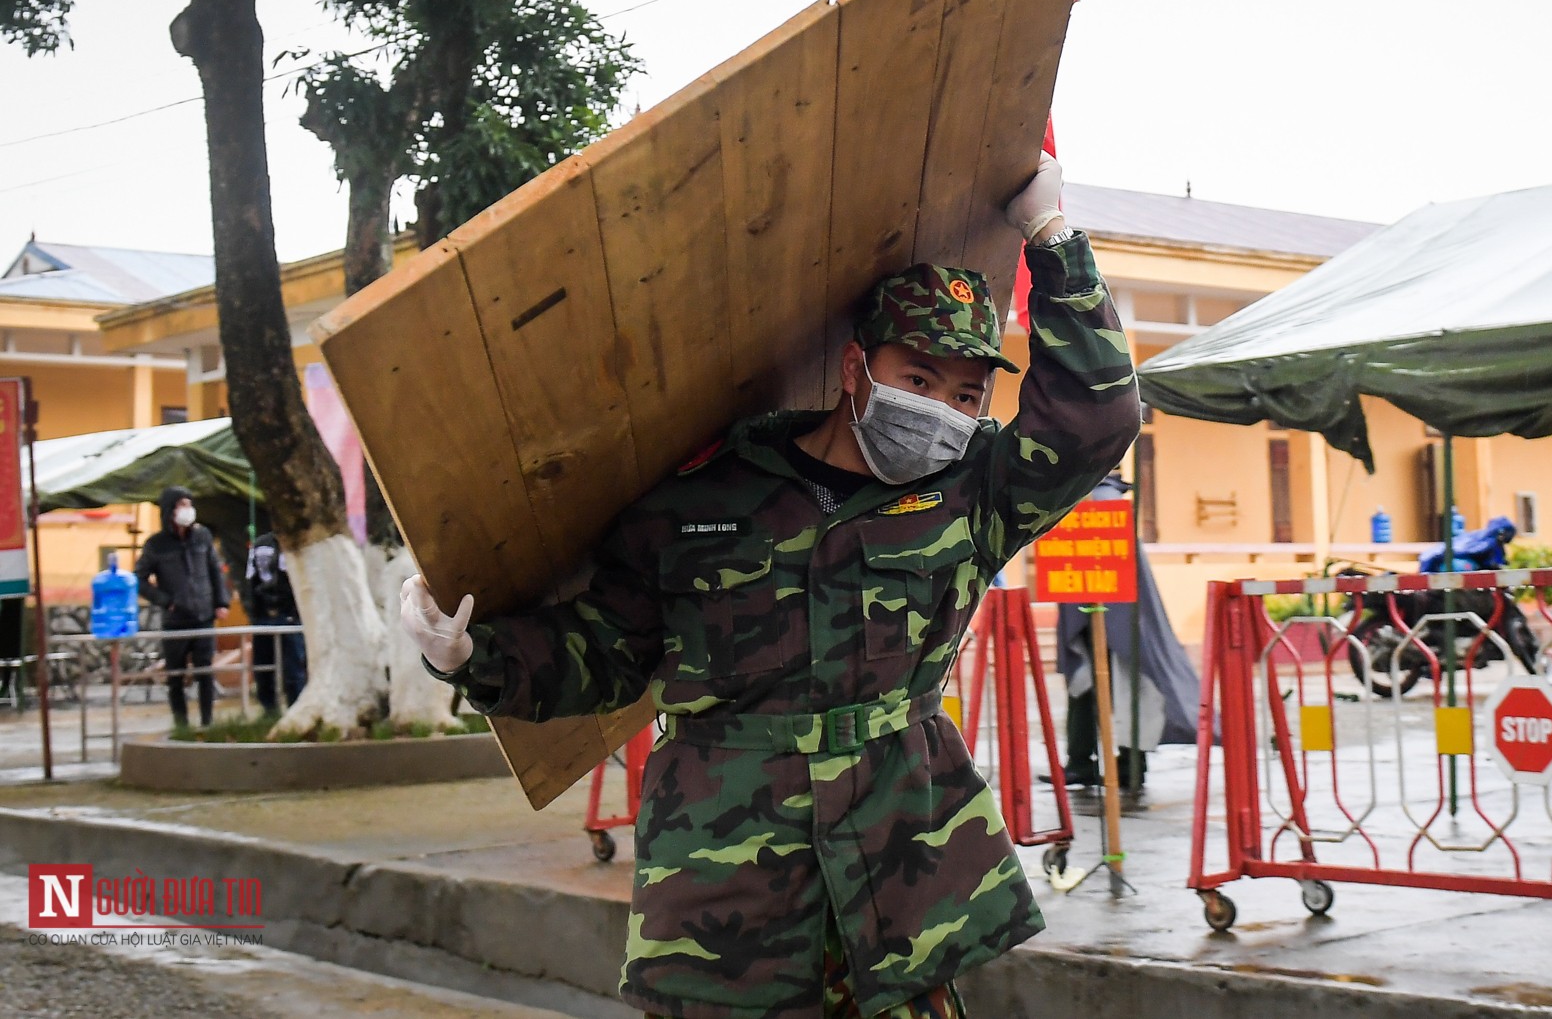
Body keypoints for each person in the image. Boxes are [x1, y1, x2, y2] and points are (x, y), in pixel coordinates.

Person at [402, 155, 1140, 1019]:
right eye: (919, 379)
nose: (943, 408)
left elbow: (1097, 417)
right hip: (726, 885)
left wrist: (1052, 240)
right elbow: (604, 653)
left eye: (967, 393)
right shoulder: (701, 498)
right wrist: (470, 654)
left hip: (901, 874)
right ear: (856, 369)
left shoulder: (972, 494)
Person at [1054, 474, 1201, 790]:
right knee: (1098, 688)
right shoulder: (1092, 496)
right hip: (1104, 609)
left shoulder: (1095, 499)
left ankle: (1125, 763)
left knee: (1123, 688)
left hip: (1109, 611)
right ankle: (1095, 762)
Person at [135, 486, 229, 730]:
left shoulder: (202, 537)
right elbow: (139, 580)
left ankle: (208, 722)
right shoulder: (156, 545)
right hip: (175, 619)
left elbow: (214, 570)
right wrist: (166, 601)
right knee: (175, 676)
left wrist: (221, 602)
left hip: (203, 616)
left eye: (189, 504)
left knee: (205, 672)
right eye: (181, 505)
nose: (187, 510)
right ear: (169, 511)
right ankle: (181, 724)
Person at [245, 529, 306, 715]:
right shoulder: (268, 544)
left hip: (280, 615)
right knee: (272, 667)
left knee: (285, 668)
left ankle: (284, 709)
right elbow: (253, 581)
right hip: (274, 615)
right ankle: (278, 709)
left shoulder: (300, 544)